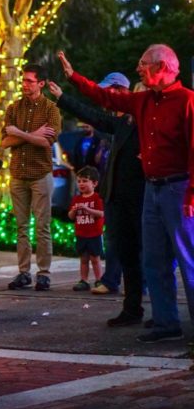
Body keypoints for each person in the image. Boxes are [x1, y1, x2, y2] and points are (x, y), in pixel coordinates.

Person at [59, 47, 194, 342]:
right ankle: (165, 323)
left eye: (143, 65)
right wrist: (74, 79)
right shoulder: (144, 100)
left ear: (161, 66)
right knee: (154, 261)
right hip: (153, 189)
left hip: (178, 188)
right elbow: (106, 99)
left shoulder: (186, 101)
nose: (138, 69)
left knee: (187, 259)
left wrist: (191, 195)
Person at [48, 73, 144, 325]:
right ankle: (132, 307)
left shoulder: (146, 123)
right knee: (125, 251)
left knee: (145, 253)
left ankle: (157, 311)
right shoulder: (122, 122)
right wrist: (63, 96)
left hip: (140, 196)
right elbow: (93, 114)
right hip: (115, 195)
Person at [2, 63, 62, 291]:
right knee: (21, 227)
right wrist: (29, 135)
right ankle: (24, 272)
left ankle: (44, 273)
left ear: (41, 83)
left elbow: (47, 141)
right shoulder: (13, 109)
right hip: (18, 174)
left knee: (42, 226)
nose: (24, 85)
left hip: (40, 175)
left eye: (29, 81)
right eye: (23, 80)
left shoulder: (51, 110)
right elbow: (5, 142)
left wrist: (18, 133)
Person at [68, 166, 105, 292]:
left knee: (95, 258)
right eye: (79, 181)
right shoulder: (76, 200)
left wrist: (87, 209)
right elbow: (71, 216)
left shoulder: (97, 198)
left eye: (85, 181)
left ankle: (99, 279)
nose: (81, 184)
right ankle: (84, 280)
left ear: (94, 183)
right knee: (83, 258)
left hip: (94, 234)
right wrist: (73, 211)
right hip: (81, 234)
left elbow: (101, 213)